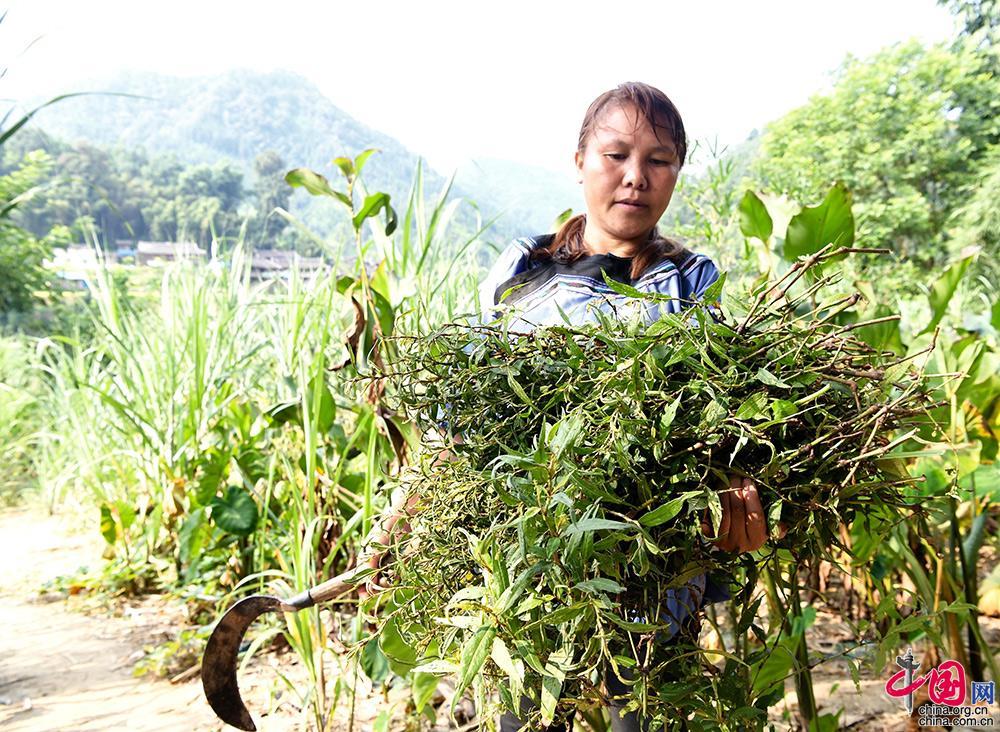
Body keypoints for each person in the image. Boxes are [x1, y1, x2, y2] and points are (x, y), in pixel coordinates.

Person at [360, 82, 775, 731]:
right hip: (531, 565)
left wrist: (736, 496)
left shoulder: (692, 281)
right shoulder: (522, 269)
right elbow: (464, 418)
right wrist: (392, 526)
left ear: (677, 173)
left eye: (659, 160)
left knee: (639, 711)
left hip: (652, 571)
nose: (635, 177)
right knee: (526, 713)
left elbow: (715, 424)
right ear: (579, 160)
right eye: (615, 155)